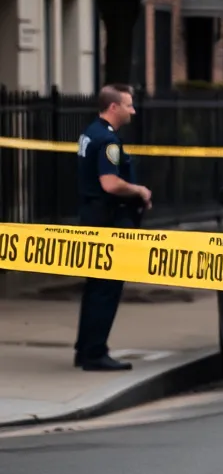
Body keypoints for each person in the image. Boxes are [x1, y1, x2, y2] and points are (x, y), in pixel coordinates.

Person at [74, 84, 152, 372]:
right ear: (113, 107)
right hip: (107, 220)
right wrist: (139, 190)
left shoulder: (90, 132)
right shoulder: (108, 141)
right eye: (129, 105)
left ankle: (85, 349)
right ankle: (95, 353)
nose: (133, 111)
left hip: (92, 216)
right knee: (106, 288)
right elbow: (110, 183)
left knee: (95, 286)